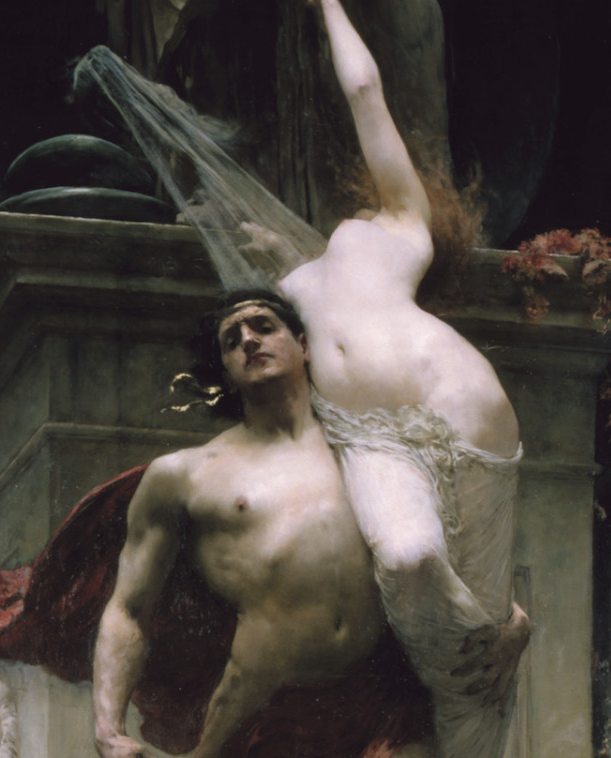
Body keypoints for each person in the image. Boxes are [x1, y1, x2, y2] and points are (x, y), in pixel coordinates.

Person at [236, 0, 528, 756]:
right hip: (371, 436)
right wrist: (279, 254)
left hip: (457, 396)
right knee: (407, 556)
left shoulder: (404, 225)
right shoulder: (297, 285)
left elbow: (365, 90)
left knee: (475, 685)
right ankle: (501, 627)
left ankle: (500, 643)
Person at [92, 292, 389, 758]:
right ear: (227, 374)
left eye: (264, 326)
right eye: (232, 340)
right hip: (261, 714)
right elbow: (128, 607)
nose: (249, 340)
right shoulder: (186, 473)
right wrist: (108, 727)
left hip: (380, 704)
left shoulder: (372, 447)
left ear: (304, 346)